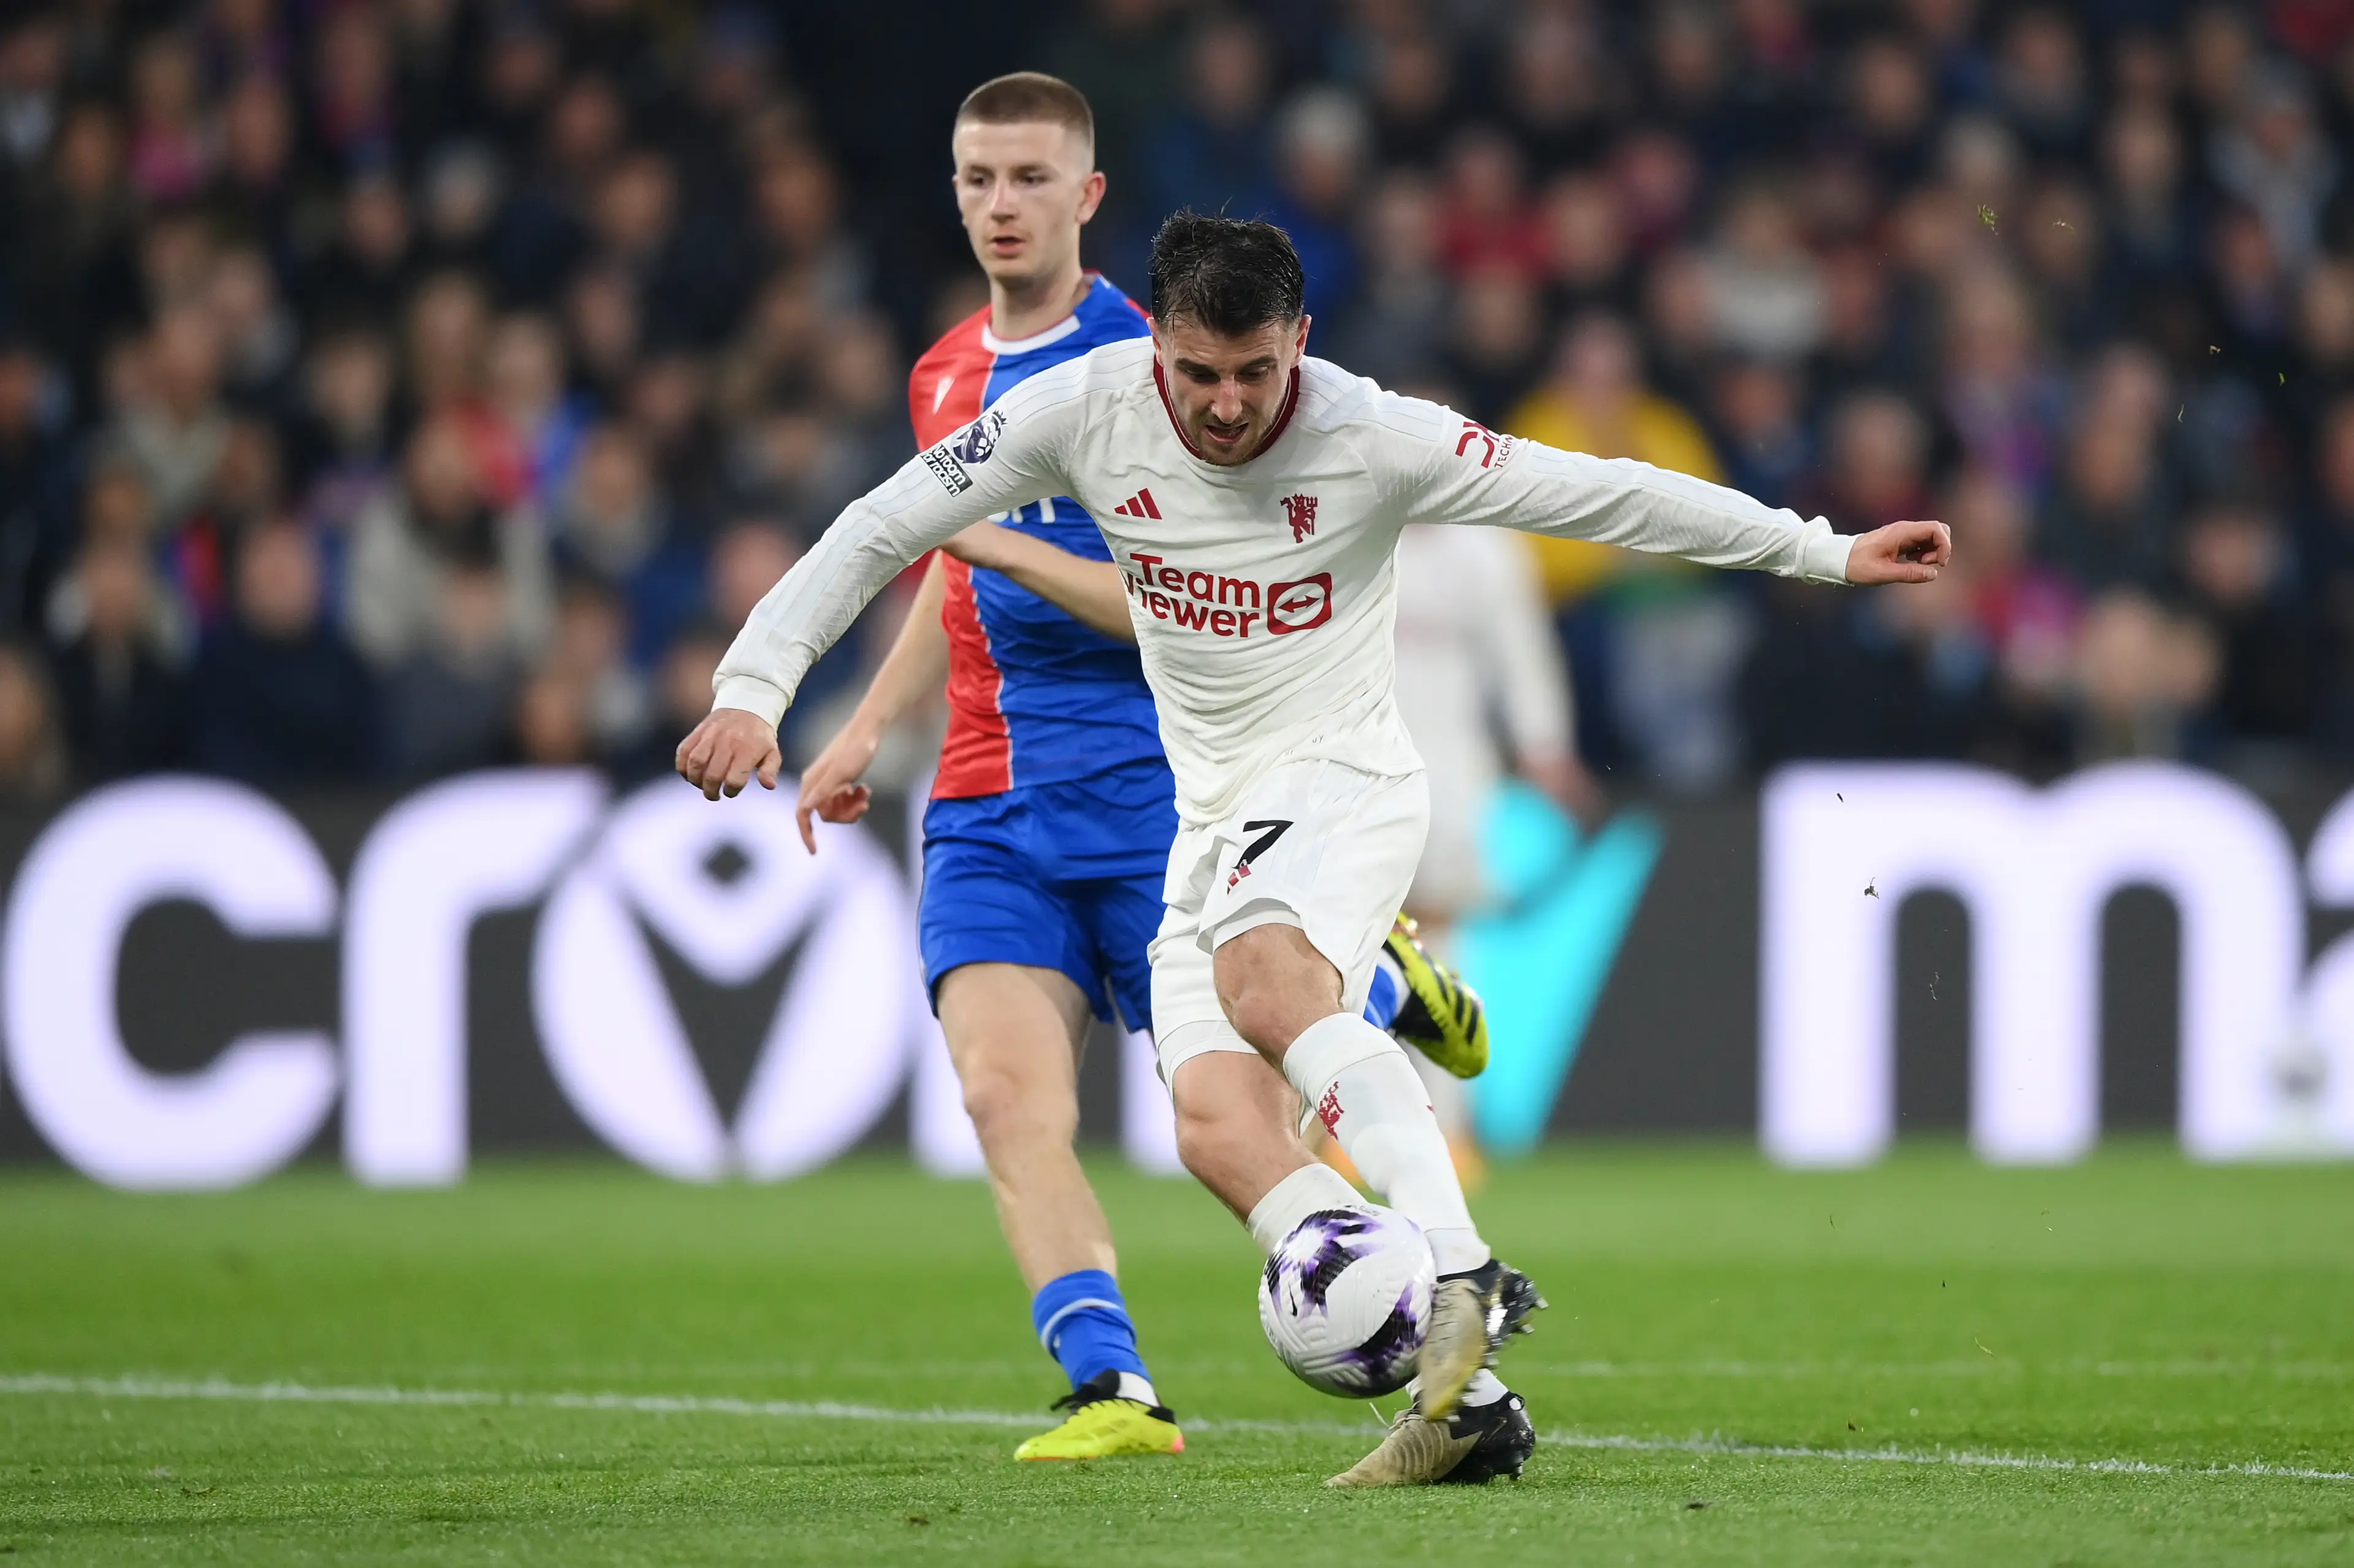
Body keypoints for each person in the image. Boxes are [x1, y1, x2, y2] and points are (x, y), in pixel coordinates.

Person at [679, 213, 1951, 1485]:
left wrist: (1823, 551)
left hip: (1347, 779)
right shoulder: (1080, 410)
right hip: (1212, 819)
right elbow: (881, 522)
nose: (1227, 406)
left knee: (1265, 983)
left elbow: (1597, 488)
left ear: (1302, 340)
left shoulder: (1370, 435)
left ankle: (1459, 1269)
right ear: (1158, 349)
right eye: (1198, 374)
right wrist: (755, 685)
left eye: (1255, 372)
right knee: (1217, 1124)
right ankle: (1468, 1407)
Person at [786, 73, 1479, 1466]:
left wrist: (1000, 550)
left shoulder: (1159, 358)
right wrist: (869, 728)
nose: (1001, 205)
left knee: (1230, 1116)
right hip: (987, 789)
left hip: (1160, 783)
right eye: (979, 178)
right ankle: (1114, 1385)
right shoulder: (941, 375)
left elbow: (1164, 594)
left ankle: (1385, 1015)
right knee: (1000, 1095)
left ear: (1087, 196)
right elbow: (945, 562)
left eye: (1030, 179)